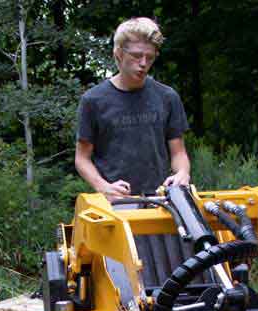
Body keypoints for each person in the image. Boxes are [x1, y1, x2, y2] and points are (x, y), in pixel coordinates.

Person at [75, 17, 191, 200]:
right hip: (115, 204)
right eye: (137, 56)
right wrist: (103, 187)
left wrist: (182, 173)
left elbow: (178, 152)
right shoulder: (93, 101)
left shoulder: (167, 97)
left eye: (150, 57)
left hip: (162, 202)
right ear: (119, 54)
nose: (144, 63)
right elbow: (82, 158)